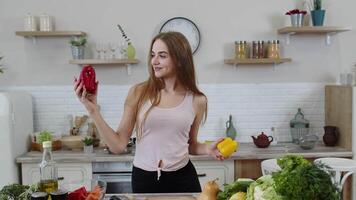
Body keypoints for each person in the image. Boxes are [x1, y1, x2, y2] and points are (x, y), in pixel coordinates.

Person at [74, 31, 225, 193]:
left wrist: (207, 149)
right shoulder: (139, 92)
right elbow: (118, 145)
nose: (154, 61)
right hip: (145, 178)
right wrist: (93, 110)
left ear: (180, 60)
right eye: (153, 55)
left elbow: (191, 145)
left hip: (184, 178)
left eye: (162, 55)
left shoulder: (197, 100)